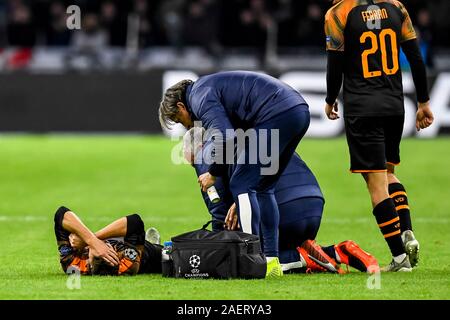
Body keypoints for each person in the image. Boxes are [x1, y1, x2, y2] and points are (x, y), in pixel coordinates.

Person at [159, 71, 311, 277]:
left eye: (179, 120)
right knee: (264, 187)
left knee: (241, 183)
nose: (186, 126)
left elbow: (226, 137)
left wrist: (213, 173)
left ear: (181, 106)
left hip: (275, 113)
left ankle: (250, 259)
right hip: (297, 110)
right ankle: (271, 261)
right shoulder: (206, 89)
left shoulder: (200, 97)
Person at [324, 0, 434, 271]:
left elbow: (334, 63)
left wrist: (330, 99)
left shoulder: (338, 13)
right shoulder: (396, 7)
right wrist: (423, 102)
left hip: (363, 108)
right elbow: (416, 57)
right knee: (387, 172)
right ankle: (406, 231)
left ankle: (400, 258)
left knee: (375, 185)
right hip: (395, 106)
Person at [183, 128, 379, 274]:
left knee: (240, 258)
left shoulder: (205, 155)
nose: (196, 168)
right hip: (313, 203)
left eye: (192, 163)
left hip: (282, 211)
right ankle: (339, 252)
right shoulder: (248, 134)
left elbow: (219, 217)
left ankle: (301, 258)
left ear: (197, 149)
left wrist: (217, 252)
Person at [54, 206, 162, 276]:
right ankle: (153, 242)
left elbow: (61, 213)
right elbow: (135, 222)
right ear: (115, 257)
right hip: (146, 252)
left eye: (98, 253)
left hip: (116, 239)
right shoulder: (127, 265)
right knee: (165, 255)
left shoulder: (74, 265)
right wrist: (93, 241)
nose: (104, 247)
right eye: (107, 252)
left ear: (89, 263)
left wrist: (91, 240)